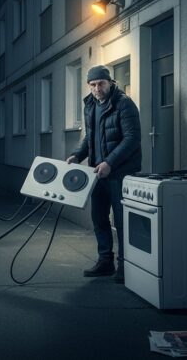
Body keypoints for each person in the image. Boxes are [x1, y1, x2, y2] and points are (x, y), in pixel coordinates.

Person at [66, 65, 141, 283]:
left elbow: (132, 138)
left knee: (121, 220)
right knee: (99, 218)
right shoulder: (90, 104)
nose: (97, 88)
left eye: (101, 83)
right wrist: (77, 156)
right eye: (93, 85)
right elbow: (90, 137)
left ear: (110, 82)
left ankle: (125, 267)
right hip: (97, 173)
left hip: (120, 173)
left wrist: (110, 162)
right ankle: (105, 261)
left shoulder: (124, 103)